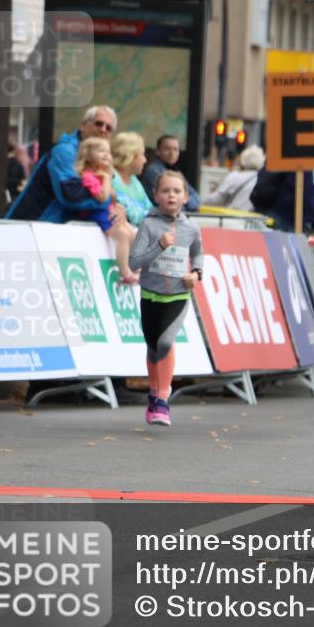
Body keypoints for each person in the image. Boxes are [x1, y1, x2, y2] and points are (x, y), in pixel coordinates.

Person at [128, 170, 203, 427]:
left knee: (166, 341)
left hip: (179, 294)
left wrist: (196, 274)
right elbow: (134, 262)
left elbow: (198, 253)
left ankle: (162, 398)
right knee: (153, 346)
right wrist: (159, 245)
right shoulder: (148, 226)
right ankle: (154, 392)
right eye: (165, 191)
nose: (171, 195)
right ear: (156, 195)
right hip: (150, 294)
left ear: (185, 197)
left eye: (177, 191)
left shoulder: (191, 228)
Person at [7, 105, 127, 225]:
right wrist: (109, 199)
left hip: (58, 229)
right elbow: (72, 196)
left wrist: (119, 207)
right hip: (28, 227)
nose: (103, 130)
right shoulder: (65, 152)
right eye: (98, 124)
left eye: (109, 128)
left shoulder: (102, 159)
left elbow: (115, 192)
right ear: (83, 125)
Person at [75, 137, 139, 284]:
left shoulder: (104, 174)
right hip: (97, 214)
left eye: (108, 152)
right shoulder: (88, 176)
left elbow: (113, 198)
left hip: (109, 211)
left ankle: (136, 268)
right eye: (100, 151)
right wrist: (105, 178)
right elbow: (103, 197)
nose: (106, 154)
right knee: (123, 237)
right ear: (87, 156)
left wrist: (118, 207)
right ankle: (125, 273)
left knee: (134, 235)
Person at [250, 170, 314, 239]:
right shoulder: (309, 161)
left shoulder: (280, 157)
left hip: (270, 212)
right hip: (288, 219)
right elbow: (310, 193)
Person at [140, 135, 201, 212]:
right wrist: (184, 202)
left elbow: (196, 197)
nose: (172, 153)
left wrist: (184, 201)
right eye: (167, 149)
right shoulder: (153, 171)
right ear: (157, 151)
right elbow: (170, 205)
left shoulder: (176, 171)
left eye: (175, 149)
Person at [203, 145, 265, 212]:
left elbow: (218, 198)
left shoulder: (235, 176)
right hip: (254, 216)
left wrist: (202, 202)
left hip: (233, 216)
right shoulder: (262, 179)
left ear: (243, 159)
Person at [111, 131, 153, 228]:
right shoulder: (111, 177)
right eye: (142, 154)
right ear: (129, 154)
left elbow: (151, 213)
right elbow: (130, 216)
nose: (145, 160)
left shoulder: (134, 180)